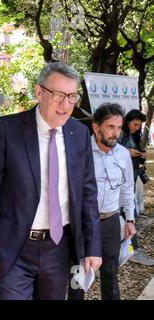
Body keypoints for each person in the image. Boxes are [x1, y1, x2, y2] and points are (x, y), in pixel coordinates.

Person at [0, 62, 102, 300]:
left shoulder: (80, 134)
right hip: (14, 248)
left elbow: (88, 194)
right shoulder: (6, 129)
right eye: (58, 95)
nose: (65, 105)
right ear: (39, 92)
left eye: (72, 96)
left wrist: (93, 247)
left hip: (59, 249)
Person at [69, 103, 137, 300]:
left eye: (118, 127)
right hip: (82, 223)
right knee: (78, 276)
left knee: (110, 274)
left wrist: (130, 219)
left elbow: (127, 189)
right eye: (110, 127)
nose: (115, 133)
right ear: (96, 127)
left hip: (110, 222)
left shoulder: (123, 154)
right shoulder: (80, 152)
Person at [119, 109, 154, 266]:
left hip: (129, 181)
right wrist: (127, 152)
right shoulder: (119, 133)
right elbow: (109, 151)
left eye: (139, 126)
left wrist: (141, 155)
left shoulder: (134, 135)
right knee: (127, 215)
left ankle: (128, 249)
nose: (137, 128)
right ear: (127, 121)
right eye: (135, 124)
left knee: (127, 216)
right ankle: (133, 250)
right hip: (117, 184)